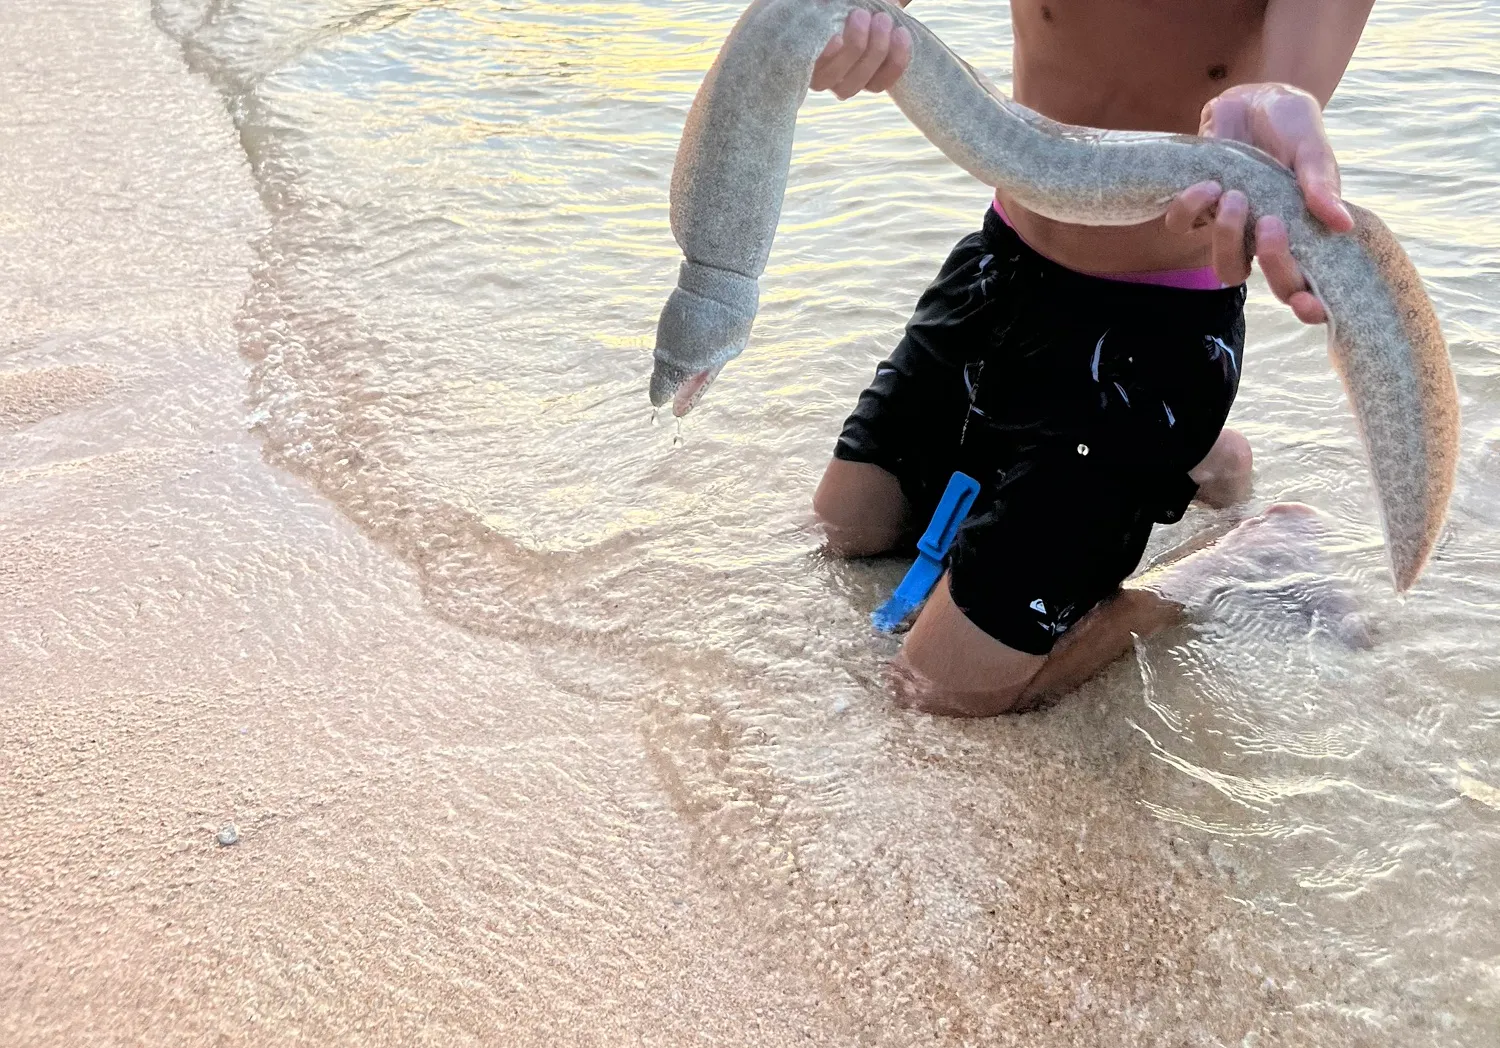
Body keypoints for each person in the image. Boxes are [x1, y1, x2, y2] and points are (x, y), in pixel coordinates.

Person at [809, 0, 1377, 716]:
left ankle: (1244, 554)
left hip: (1154, 327)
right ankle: (1197, 461)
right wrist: (841, 20)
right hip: (1003, 261)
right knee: (846, 532)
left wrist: (1274, 106)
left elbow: (1286, 89)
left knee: (941, 690)